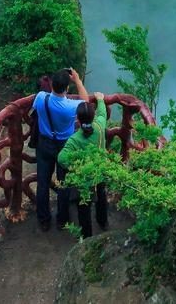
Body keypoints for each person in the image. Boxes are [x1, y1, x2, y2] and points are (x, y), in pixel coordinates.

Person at [32, 67, 87, 231]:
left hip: (44, 143)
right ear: (67, 88)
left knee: (42, 183)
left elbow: (36, 107)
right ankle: (62, 219)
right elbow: (86, 101)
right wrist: (77, 80)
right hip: (64, 146)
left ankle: (44, 220)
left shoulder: (41, 98)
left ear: (52, 85)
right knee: (64, 184)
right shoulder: (70, 107)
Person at [56, 90, 109, 238]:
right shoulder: (99, 128)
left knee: (84, 209)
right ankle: (103, 222)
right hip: (99, 172)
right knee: (101, 197)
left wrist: (76, 167)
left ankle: (87, 239)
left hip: (84, 181)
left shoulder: (74, 139)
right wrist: (100, 100)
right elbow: (102, 114)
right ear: (92, 118)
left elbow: (61, 158)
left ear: (77, 120)